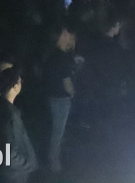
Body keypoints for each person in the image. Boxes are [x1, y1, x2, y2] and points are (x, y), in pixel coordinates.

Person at [0, 66, 38, 183]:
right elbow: (9, 154)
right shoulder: (10, 115)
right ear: (15, 87)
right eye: (20, 82)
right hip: (13, 175)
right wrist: (29, 164)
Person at [44, 26, 77, 172]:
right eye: (64, 33)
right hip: (61, 98)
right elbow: (66, 81)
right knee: (58, 131)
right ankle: (54, 161)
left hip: (51, 96)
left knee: (54, 128)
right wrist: (72, 93)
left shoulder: (51, 55)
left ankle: (54, 156)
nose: (68, 34)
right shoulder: (63, 58)